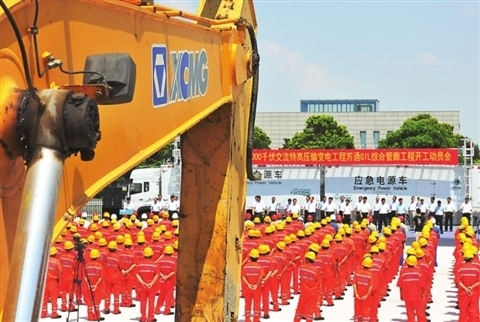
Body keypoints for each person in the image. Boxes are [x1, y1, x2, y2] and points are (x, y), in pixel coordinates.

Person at [397, 256, 428, 322]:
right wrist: (423, 294)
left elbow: (401, 286)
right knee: (420, 311)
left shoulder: (403, 273)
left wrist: (401, 295)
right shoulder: (419, 272)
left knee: (409, 311)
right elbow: (423, 285)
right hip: (418, 295)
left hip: (407, 295)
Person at [293, 251, 322, 322]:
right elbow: (319, 282)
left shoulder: (302, 268)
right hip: (312, 293)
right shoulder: (316, 270)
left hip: (303, 292)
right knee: (310, 309)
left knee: (300, 308)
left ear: (307, 259)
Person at [454, 249, 480, 322]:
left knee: (463, 311)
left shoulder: (460, 269)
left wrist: (465, 288)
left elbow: (458, 281)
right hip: (474, 292)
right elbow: (479, 281)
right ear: (472, 258)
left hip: (463, 293)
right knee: (473, 311)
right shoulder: (477, 269)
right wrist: (471, 287)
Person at [136, 247, 160, 322]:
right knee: (151, 302)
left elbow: (137, 274)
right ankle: (150, 318)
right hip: (151, 287)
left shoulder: (139, 264)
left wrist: (142, 282)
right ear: (152, 255)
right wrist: (151, 283)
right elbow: (157, 275)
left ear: (144, 255)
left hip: (142, 286)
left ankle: (143, 318)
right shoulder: (155, 265)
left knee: (143, 302)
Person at [242, 249, 265, 322]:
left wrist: (248, 284)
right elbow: (261, 276)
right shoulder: (259, 267)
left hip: (247, 288)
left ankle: (247, 319)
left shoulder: (245, 267)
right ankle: (256, 319)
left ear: (250, 257)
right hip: (257, 288)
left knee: (247, 304)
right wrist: (256, 285)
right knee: (257, 304)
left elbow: (243, 277)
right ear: (257, 258)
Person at [41, 247, 63, 319]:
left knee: (44, 298)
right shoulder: (57, 261)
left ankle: (43, 313)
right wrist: (59, 279)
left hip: (45, 282)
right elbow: (60, 271)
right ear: (55, 253)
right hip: (53, 282)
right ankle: (54, 313)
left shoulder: (45, 261)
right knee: (54, 298)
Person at [84, 249, 104, 321]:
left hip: (88, 287)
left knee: (89, 302)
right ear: (98, 256)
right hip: (97, 287)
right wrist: (95, 285)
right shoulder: (100, 266)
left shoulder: (86, 265)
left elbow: (85, 277)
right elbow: (101, 277)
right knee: (97, 302)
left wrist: (89, 285)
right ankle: (96, 316)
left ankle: (90, 317)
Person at [352, 256, 374, 322]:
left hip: (357, 295)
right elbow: (371, 286)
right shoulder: (371, 275)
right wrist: (367, 295)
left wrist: (356, 294)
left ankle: (356, 319)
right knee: (366, 308)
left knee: (357, 308)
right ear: (370, 266)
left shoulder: (357, 273)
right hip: (366, 296)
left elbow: (354, 284)